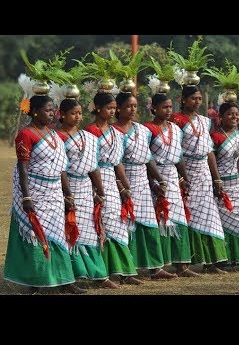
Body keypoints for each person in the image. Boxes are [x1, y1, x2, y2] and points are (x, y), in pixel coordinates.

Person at [4, 91, 85, 294]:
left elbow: (61, 168)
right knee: (36, 235)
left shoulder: (54, 134)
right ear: (34, 112)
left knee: (58, 235)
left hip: (55, 192)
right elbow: (23, 168)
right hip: (35, 192)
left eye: (53, 110)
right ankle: (38, 281)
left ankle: (65, 281)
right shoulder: (26, 134)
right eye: (47, 110)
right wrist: (27, 196)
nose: (52, 114)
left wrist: (68, 195)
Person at [113, 91, 177, 280]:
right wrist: (123, 187)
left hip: (142, 181)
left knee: (149, 224)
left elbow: (149, 159)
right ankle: (128, 270)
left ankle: (155, 268)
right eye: (128, 106)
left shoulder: (142, 130)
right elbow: (116, 163)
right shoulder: (114, 132)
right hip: (123, 181)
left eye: (135, 106)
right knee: (127, 226)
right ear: (118, 109)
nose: (133, 109)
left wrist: (159, 180)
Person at [56, 97, 119, 289]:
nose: (77, 117)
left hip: (85, 187)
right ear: (62, 115)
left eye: (80, 113)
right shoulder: (58, 137)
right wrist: (68, 195)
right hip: (67, 187)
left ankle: (99, 275)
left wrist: (100, 190)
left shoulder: (87, 137)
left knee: (90, 231)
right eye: (73, 113)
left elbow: (94, 167)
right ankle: (72, 276)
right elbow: (61, 169)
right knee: (70, 230)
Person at [84, 92, 141, 285]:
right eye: (109, 107)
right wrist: (99, 190)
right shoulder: (90, 131)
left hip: (111, 181)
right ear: (98, 108)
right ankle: (103, 273)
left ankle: (125, 271)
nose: (113, 111)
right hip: (95, 180)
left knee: (118, 223)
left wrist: (125, 186)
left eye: (114, 107)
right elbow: (91, 163)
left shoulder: (115, 132)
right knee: (103, 224)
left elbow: (118, 163)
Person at [172, 85, 228, 274]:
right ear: (183, 100)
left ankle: (211, 262)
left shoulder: (205, 121)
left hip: (203, 172)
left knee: (209, 215)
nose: (197, 102)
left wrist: (216, 178)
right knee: (188, 215)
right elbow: (175, 151)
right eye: (193, 98)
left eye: (199, 98)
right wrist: (182, 176)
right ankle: (185, 262)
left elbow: (209, 151)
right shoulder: (176, 121)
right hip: (185, 171)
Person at [144, 93, 201, 277]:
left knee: (179, 220)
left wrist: (184, 177)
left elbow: (179, 156)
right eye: (164, 107)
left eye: (170, 107)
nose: (168, 111)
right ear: (154, 108)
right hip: (155, 177)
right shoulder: (148, 129)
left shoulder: (175, 129)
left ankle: (182, 265)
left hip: (172, 177)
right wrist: (154, 182)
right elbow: (146, 158)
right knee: (162, 220)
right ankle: (159, 265)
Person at [211, 102, 239, 269]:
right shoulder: (215, 137)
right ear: (220, 117)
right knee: (224, 221)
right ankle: (226, 259)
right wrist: (216, 182)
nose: (235, 117)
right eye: (230, 114)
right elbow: (211, 161)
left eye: (236, 114)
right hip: (222, 186)